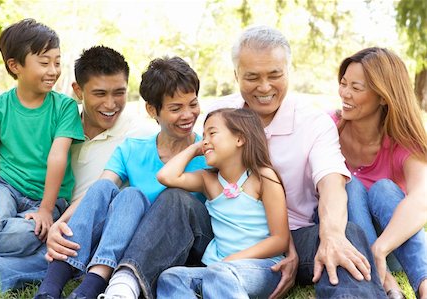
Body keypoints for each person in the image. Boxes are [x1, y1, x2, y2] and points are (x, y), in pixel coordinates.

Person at [101, 25, 388, 299]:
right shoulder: (217, 113)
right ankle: (127, 282)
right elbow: (170, 134)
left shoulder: (314, 122)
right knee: (175, 198)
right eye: (252, 77)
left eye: (274, 74)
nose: (264, 87)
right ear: (236, 74)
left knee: (346, 233)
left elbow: (332, 184)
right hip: (223, 235)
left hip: (293, 236)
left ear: (289, 71)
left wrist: (331, 234)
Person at [0, 45, 156, 293]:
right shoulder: (59, 124)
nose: (111, 104)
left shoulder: (139, 134)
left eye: (119, 93)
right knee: (9, 228)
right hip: (40, 216)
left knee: (24, 260)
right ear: (78, 91)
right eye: (100, 93)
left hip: (81, 234)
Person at [35, 56, 208, 299]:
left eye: (193, 104)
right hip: (131, 244)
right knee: (118, 191)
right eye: (176, 108)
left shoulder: (209, 152)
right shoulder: (133, 149)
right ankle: (53, 289)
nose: (188, 115)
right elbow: (97, 191)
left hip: (184, 246)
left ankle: (104, 283)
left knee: (174, 196)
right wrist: (59, 225)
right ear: (152, 110)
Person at [0, 18, 84, 258]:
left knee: (25, 234)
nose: (53, 71)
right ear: (15, 66)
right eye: (44, 63)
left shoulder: (64, 107)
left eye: (57, 62)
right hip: (7, 187)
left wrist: (46, 210)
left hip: (48, 198)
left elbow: (58, 156)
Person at [156, 108, 289, 298]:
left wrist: (232, 261)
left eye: (212, 133)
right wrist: (194, 148)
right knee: (171, 277)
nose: (205, 141)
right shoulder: (208, 181)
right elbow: (166, 176)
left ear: (239, 139)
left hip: (262, 267)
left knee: (218, 274)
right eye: (203, 136)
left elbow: (280, 240)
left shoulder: (263, 177)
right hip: (217, 268)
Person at [334, 47, 427, 299]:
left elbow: (422, 200)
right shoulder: (331, 128)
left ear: (383, 97)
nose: (345, 93)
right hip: (349, 241)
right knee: (348, 185)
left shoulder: (404, 142)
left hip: (394, 247)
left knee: (384, 188)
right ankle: (387, 286)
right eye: (343, 84)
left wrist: (380, 248)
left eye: (356, 87)